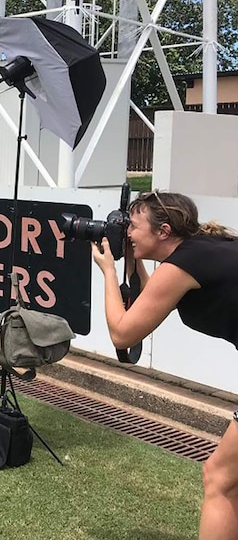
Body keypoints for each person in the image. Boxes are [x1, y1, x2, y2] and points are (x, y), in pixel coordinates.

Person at [91, 190, 238, 540]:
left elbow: (123, 333)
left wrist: (109, 271)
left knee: (220, 478)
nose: (126, 232)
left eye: (133, 226)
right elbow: (148, 298)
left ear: (164, 231)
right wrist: (129, 261)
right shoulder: (202, 249)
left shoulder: (183, 265)